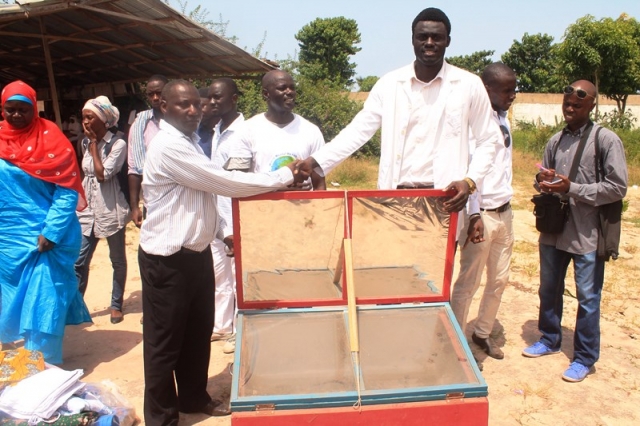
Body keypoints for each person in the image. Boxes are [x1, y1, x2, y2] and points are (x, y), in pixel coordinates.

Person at [138, 79, 304, 424]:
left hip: (195, 254)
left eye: (196, 104)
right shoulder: (169, 146)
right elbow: (225, 183)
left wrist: (222, 231)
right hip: (166, 261)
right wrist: (284, 176)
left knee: (197, 335)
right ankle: (161, 417)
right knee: (164, 345)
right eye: (183, 104)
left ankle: (193, 398)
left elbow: (200, 199)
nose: (193, 110)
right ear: (164, 108)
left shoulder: (189, 142)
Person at [295, 7, 498, 218]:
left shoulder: (468, 85)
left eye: (436, 37)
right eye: (422, 37)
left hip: (445, 198)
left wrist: (470, 181)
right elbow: (357, 132)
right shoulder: (389, 84)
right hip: (395, 197)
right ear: (413, 40)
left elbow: (488, 140)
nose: (429, 42)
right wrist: (315, 160)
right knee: (392, 252)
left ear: (448, 41)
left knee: (438, 253)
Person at [522, 80, 627, 383]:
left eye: (577, 105)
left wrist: (573, 188)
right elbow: (544, 181)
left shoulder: (606, 140)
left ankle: (584, 358)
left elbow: (617, 187)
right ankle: (550, 338)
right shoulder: (555, 140)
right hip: (554, 231)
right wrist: (543, 180)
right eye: (566, 104)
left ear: (592, 105)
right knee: (548, 289)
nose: (569, 108)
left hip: (586, 234)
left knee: (588, 297)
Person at [0, 80, 92, 364]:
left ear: (35, 110)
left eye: (23, 110)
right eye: (10, 109)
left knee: (43, 298)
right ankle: (17, 357)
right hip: (8, 238)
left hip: (47, 238)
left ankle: (42, 365)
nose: (16, 115)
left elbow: (67, 192)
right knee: (12, 298)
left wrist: (51, 231)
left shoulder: (52, 140)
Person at [450, 63, 516, 361]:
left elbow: (503, 168)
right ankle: (453, 341)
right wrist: (474, 214)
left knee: (499, 280)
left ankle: (482, 333)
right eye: (507, 90)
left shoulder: (503, 119)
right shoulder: (473, 126)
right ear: (487, 90)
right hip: (482, 217)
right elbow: (468, 173)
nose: (513, 95)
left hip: (505, 213)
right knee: (468, 282)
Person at [74, 96, 131, 325]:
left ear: (104, 119)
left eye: (90, 117)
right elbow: (85, 173)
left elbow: (102, 174)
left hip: (111, 209)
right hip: (88, 210)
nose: (85, 122)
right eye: (83, 117)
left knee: (117, 259)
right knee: (79, 260)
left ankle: (116, 305)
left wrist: (95, 145)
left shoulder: (118, 143)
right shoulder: (84, 143)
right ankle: (76, 305)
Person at [228, 70, 326, 190]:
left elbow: (319, 182)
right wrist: (279, 186)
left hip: (305, 207)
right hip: (262, 207)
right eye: (282, 88)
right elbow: (237, 179)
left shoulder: (311, 131)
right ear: (266, 94)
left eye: (292, 88)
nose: (289, 92)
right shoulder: (247, 130)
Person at [207, 78, 244, 352]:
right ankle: (221, 326)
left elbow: (239, 183)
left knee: (236, 279)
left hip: (233, 219)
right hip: (217, 218)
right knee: (220, 276)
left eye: (218, 97)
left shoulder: (244, 133)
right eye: (210, 97)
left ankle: (238, 331)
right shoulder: (217, 129)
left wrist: (231, 226)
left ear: (234, 99)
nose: (212, 102)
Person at [128, 74, 168, 228]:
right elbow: (134, 168)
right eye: (151, 94)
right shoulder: (140, 124)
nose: (156, 98)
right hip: (153, 199)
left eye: (159, 93)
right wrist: (134, 206)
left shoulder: (183, 121)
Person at [196, 86, 219, 158]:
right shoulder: (194, 133)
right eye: (197, 106)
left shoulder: (226, 132)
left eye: (202, 106)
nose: (198, 110)